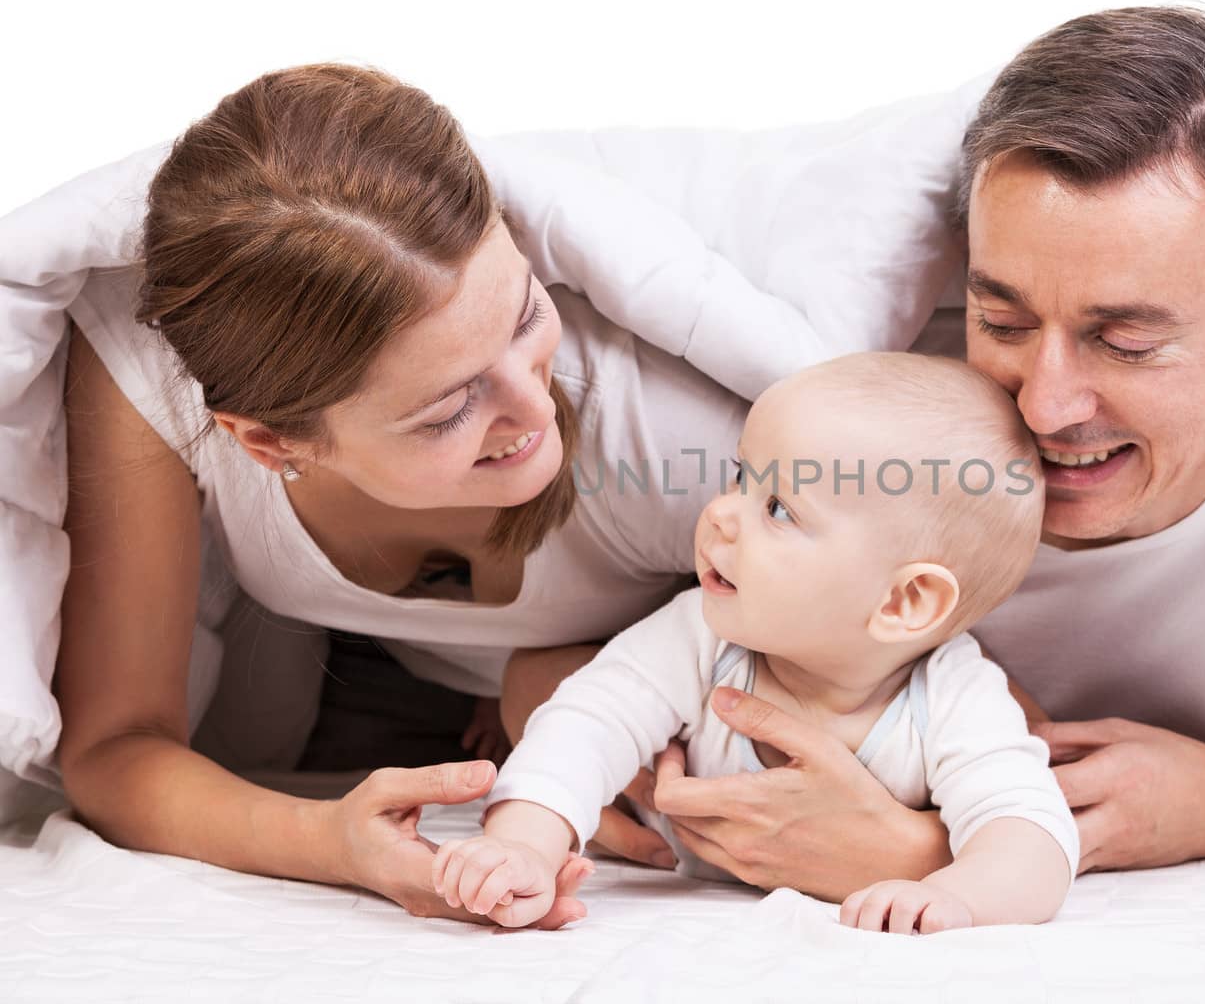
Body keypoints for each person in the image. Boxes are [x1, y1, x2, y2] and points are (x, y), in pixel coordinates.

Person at [608, 7, 1205, 895]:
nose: (1044, 405)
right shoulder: (872, 403)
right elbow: (611, 621)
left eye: (1125, 341)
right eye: (1000, 318)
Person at [54, 63, 747, 924]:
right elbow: (114, 748)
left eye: (526, 316)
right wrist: (332, 842)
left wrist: (562, 700)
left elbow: (925, 662)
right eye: (451, 407)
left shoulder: (672, 441)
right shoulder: (152, 373)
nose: (535, 410)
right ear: (269, 442)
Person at [431, 353, 1075, 933]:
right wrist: (525, 847)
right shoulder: (700, 635)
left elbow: (1030, 834)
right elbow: (584, 727)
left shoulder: (955, 694)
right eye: (742, 477)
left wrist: (958, 897)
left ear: (904, 602)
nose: (719, 512)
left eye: (779, 510)